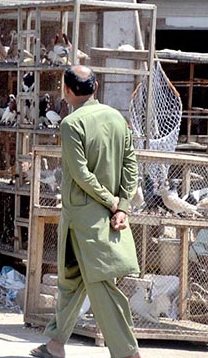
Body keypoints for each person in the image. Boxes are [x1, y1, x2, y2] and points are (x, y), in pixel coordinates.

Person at [31, 65, 141, 358]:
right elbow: (131, 164)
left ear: (67, 90)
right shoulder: (117, 118)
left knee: (101, 285)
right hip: (103, 216)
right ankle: (55, 343)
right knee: (71, 281)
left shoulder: (71, 124)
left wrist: (113, 203)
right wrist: (123, 206)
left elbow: (80, 174)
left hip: (84, 219)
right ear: (95, 88)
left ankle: (127, 352)